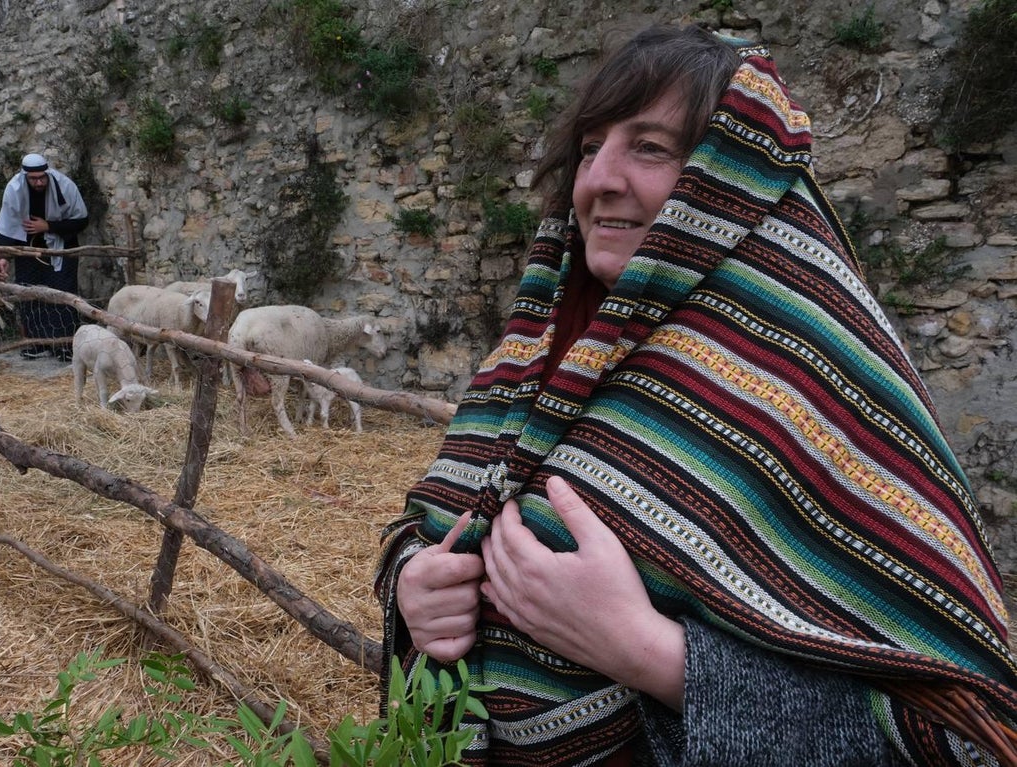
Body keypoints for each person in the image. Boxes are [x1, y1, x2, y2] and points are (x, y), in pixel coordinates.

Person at [376, 24, 1017, 767]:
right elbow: (425, 528)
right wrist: (414, 588)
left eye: (649, 147)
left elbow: (964, 741)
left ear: (727, 177)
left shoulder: (810, 382)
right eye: (590, 147)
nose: (599, 180)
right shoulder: (528, 361)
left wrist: (648, 653)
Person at [0, 152, 88, 361]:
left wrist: (49, 226)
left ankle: (64, 344)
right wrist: (3, 256)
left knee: (61, 295)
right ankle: (36, 343)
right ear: (25, 176)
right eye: (33, 179)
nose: (38, 182)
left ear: (47, 173)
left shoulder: (65, 186)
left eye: (42, 177)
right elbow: (7, 226)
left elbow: (81, 220)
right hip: (27, 250)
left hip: (61, 249)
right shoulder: (14, 189)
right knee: (30, 294)